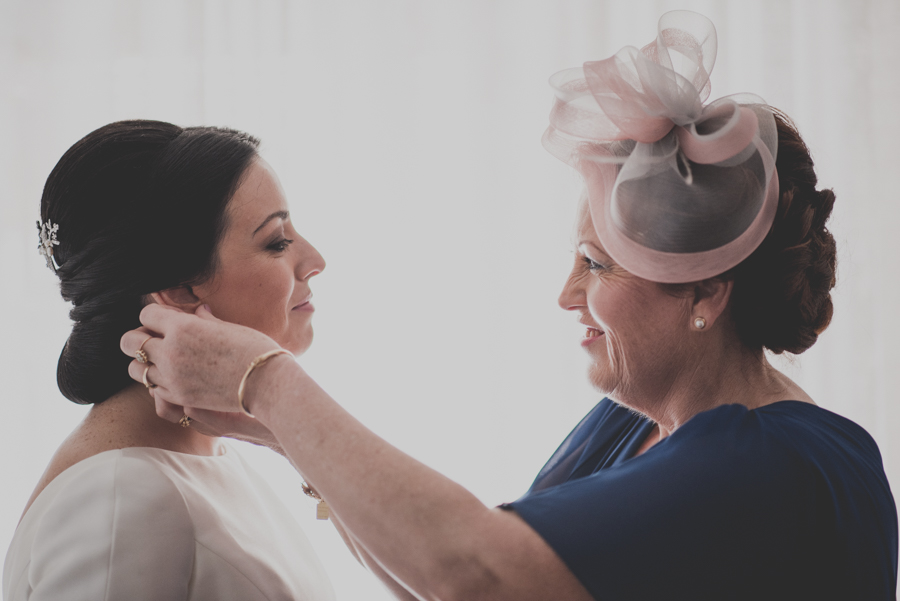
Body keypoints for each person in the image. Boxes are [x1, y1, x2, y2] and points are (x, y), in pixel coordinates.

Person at [119, 11, 897, 601]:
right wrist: (281, 436)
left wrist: (268, 382)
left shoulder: (771, 462)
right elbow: (452, 574)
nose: (566, 294)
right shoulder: (635, 426)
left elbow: (476, 570)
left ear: (706, 291)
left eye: (595, 264)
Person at [3, 120, 335, 600]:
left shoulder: (207, 449)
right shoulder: (121, 498)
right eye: (276, 242)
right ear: (179, 290)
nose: (315, 259)